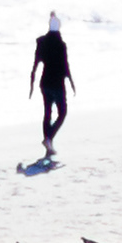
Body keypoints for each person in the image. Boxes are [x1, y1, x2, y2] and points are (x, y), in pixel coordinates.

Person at [29, 10, 73, 158]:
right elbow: (65, 65)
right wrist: (71, 81)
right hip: (57, 84)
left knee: (47, 113)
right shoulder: (61, 45)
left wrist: (32, 84)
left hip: (45, 83)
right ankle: (49, 138)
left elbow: (36, 64)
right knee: (62, 112)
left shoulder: (42, 43)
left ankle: (48, 145)